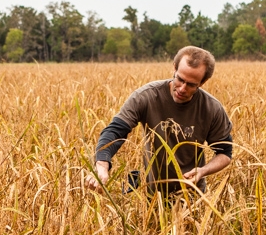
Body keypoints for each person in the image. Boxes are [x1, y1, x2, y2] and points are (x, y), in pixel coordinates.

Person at [87, 46, 232, 195]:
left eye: (191, 84)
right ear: (174, 68)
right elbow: (115, 131)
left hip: (191, 195)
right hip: (150, 193)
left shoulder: (212, 108)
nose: (182, 88)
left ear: (203, 82)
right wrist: (102, 165)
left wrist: (202, 171)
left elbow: (225, 152)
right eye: (180, 79)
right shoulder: (146, 97)